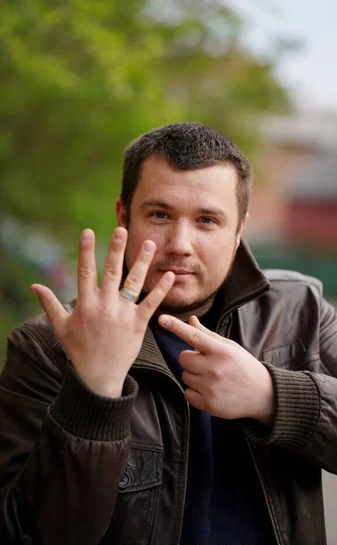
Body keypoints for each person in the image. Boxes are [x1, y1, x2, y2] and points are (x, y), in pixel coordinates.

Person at [0, 122, 336, 545]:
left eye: (207, 220)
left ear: (239, 233)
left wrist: (272, 396)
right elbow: (30, 534)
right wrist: (96, 391)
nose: (180, 243)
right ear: (124, 216)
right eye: (160, 215)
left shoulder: (301, 309)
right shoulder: (47, 348)